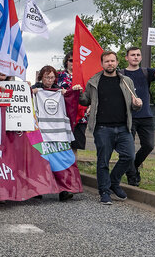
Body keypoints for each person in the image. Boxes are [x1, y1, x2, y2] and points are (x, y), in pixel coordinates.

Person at [79, 51, 142, 205]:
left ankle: (114, 182)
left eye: (112, 61)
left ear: (117, 62)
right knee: (103, 161)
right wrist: (78, 93)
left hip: (123, 127)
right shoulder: (94, 81)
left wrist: (137, 104)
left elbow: (133, 106)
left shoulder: (126, 81)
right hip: (102, 128)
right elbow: (85, 101)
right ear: (102, 64)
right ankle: (104, 192)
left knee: (129, 157)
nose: (110, 64)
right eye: (107, 61)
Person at [121, 44, 155, 186]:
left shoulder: (146, 72)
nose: (135, 57)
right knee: (128, 149)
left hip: (145, 116)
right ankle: (132, 176)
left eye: (138, 55)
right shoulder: (121, 74)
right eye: (132, 55)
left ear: (141, 57)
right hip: (128, 117)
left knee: (149, 145)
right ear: (126, 58)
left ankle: (133, 166)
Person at [32, 64, 75, 202]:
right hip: (41, 134)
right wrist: (31, 92)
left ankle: (63, 190)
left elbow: (72, 103)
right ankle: (38, 190)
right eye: (46, 77)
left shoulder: (60, 91)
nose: (49, 80)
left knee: (59, 163)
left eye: (52, 77)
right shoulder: (35, 90)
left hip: (58, 134)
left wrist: (67, 94)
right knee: (41, 162)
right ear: (41, 77)